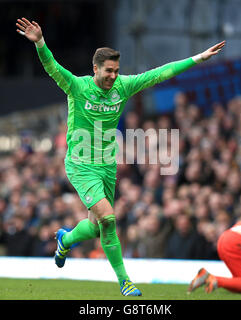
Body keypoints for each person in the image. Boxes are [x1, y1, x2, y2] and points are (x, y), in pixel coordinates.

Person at [16, 17, 225, 296]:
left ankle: (66, 239)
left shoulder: (123, 87)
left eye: (116, 70)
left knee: (94, 228)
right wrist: (40, 42)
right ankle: (125, 281)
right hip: (80, 165)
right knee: (109, 219)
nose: (113, 76)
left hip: (107, 167)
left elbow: (160, 73)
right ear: (95, 69)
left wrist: (197, 58)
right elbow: (52, 67)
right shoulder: (77, 87)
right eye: (108, 71)